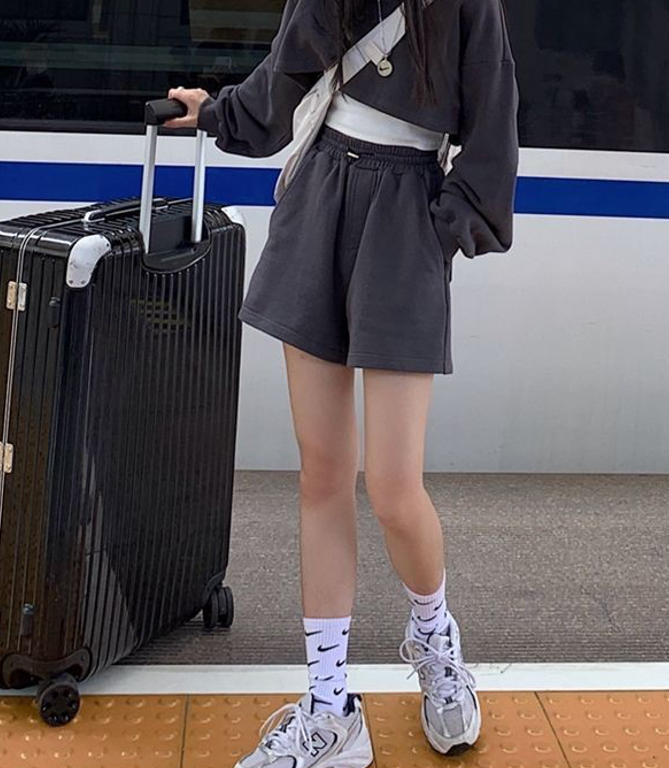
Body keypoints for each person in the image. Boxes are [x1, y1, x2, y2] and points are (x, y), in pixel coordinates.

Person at [165, 0, 519, 765]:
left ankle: (434, 638)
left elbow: (493, 136)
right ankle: (331, 709)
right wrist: (215, 112)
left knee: (393, 488)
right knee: (323, 474)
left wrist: (439, 232)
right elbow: (282, 83)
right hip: (320, 195)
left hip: (405, 218)